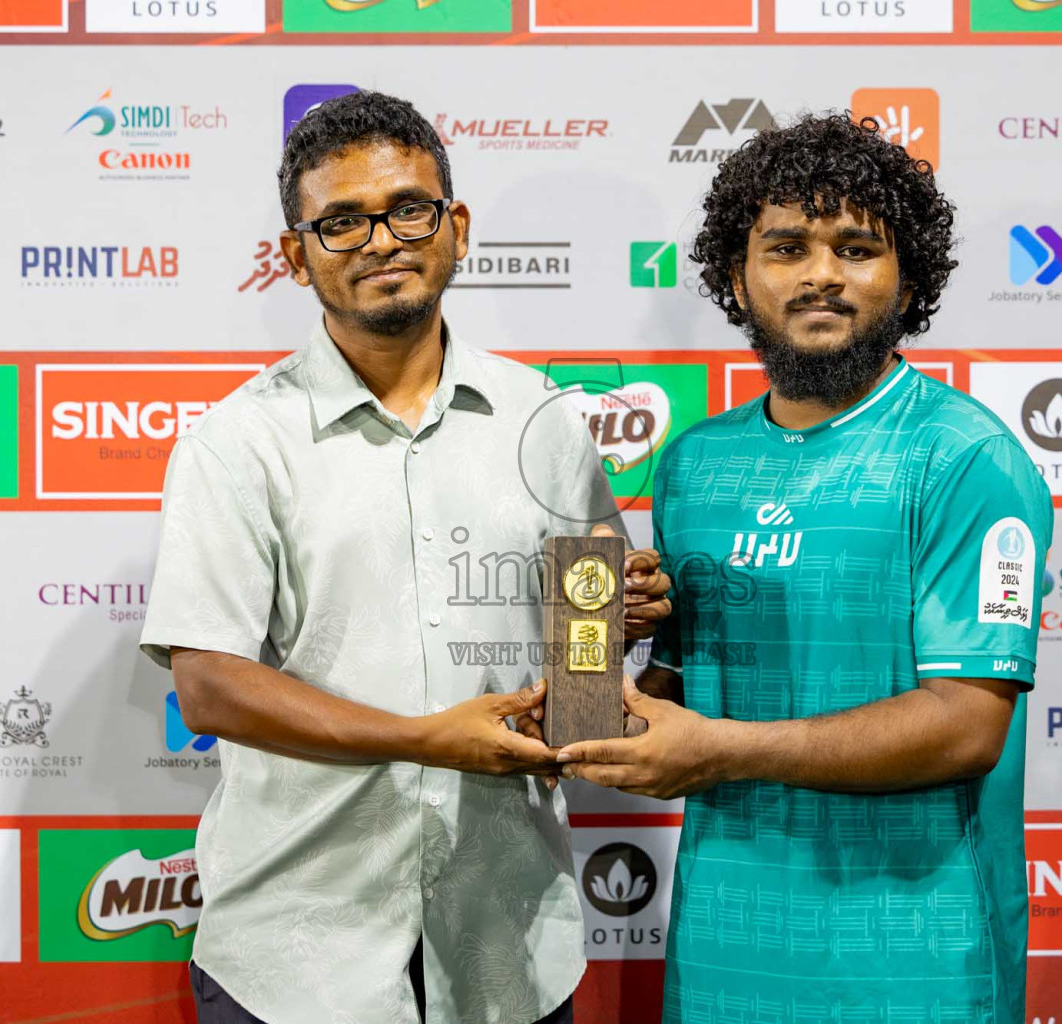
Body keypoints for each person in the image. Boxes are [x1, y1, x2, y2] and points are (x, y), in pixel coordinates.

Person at [139, 90, 670, 1024]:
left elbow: (582, 666)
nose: (380, 240)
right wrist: (425, 740)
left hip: (510, 942)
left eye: (407, 209)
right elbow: (210, 688)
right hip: (298, 955)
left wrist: (612, 637)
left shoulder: (542, 420)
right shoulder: (237, 442)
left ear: (455, 227)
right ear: (295, 254)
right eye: (340, 223)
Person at [556, 112, 1053, 1023]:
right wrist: (605, 662)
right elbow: (681, 695)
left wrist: (719, 752)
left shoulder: (964, 456)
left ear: (909, 280)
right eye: (786, 246)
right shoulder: (695, 466)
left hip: (917, 961)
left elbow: (965, 728)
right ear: (738, 281)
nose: (822, 273)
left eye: (857, 247)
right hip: (723, 952)